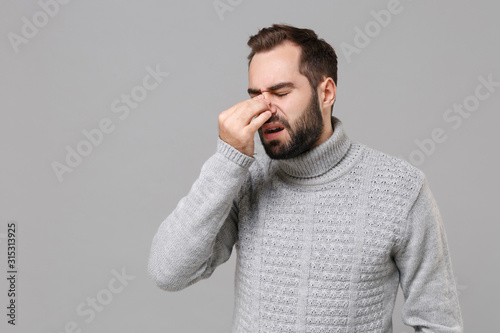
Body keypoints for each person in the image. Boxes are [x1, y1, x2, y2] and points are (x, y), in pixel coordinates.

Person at [148, 24, 463, 332]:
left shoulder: (401, 188)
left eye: (280, 92)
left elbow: (439, 323)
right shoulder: (244, 179)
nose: (264, 109)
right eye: (255, 95)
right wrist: (227, 160)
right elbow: (168, 272)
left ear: (326, 92)